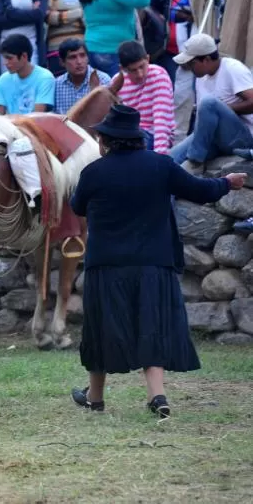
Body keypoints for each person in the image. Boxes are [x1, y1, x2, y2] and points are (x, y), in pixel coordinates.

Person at [69, 105, 246, 419]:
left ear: (105, 141)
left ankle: (95, 398)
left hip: (106, 266)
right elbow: (200, 190)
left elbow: (77, 206)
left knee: (102, 329)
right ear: (137, 138)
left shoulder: (93, 172)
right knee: (152, 325)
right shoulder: (161, 165)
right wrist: (227, 182)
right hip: (153, 263)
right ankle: (157, 396)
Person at [170, 34, 253, 172]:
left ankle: (195, 161)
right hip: (215, 139)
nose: (189, 67)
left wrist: (223, 109)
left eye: (191, 63)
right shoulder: (200, 77)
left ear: (206, 60)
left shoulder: (232, 69)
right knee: (169, 158)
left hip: (242, 138)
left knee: (209, 104)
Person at [116, 41, 174, 154]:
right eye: (133, 70)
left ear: (148, 59)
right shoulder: (117, 82)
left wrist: (159, 156)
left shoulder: (159, 75)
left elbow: (161, 120)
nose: (140, 74)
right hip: (130, 134)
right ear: (122, 69)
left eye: (142, 67)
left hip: (153, 133)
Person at [0, 34, 55, 115]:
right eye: (4, 58)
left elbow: (38, 116)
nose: (5, 63)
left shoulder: (45, 78)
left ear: (24, 56)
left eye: (10, 58)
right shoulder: (3, 79)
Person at [53, 39, 111, 116]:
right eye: (72, 57)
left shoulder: (103, 80)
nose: (79, 62)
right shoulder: (56, 85)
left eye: (82, 55)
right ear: (62, 62)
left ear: (88, 58)